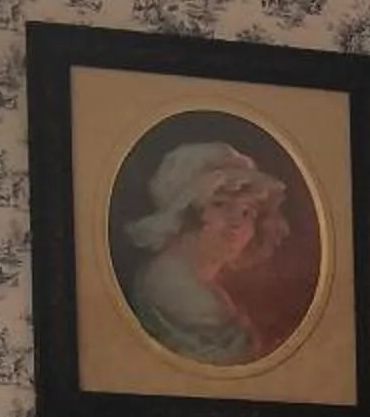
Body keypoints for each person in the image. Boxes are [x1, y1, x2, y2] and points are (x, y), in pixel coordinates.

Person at [116, 141, 295, 368]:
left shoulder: (199, 283)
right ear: (184, 214)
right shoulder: (177, 288)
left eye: (247, 212)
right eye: (219, 205)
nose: (236, 223)